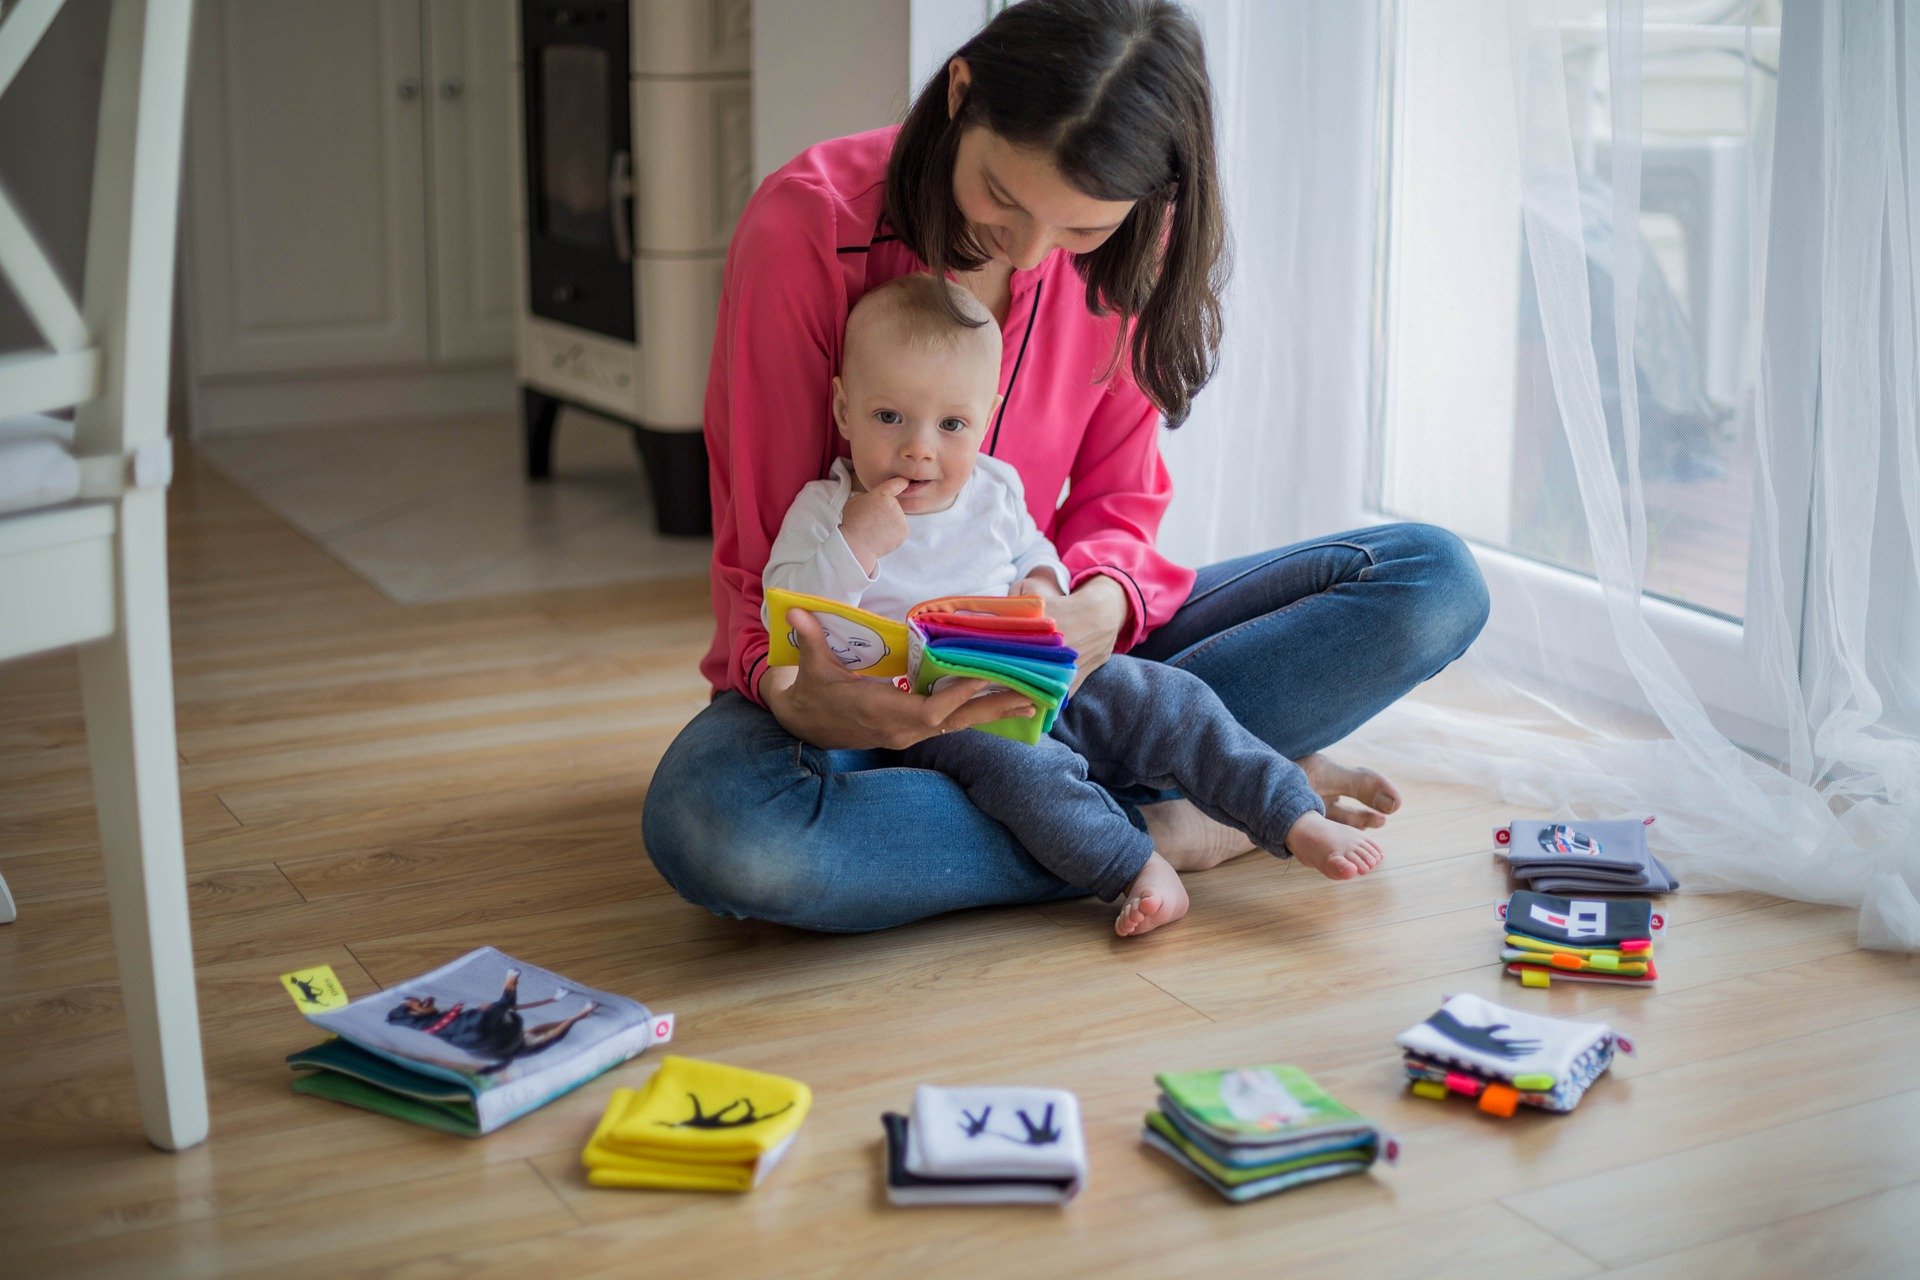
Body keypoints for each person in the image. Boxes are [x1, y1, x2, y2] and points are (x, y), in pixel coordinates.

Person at [642, 0, 1489, 933]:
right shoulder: (807, 227)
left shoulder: (1131, 242)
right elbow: (761, 560)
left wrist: (1093, 609)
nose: (1033, 250)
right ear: (961, 94)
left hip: (1060, 673)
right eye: (1003, 197)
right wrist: (808, 704)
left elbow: (1119, 501)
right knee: (722, 833)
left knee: (1432, 580)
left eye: (1080, 230)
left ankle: (1130, 796)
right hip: (858, 700)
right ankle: (1179, 817)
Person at [765, 274, 1385, 937]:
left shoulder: (994, 488)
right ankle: (1133, 863)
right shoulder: (826, 509)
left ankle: (1292, 814)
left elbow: (1037, 547)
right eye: (889, 417)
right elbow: (795, 615)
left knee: (1170, 699)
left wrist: (1042, 586)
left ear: (986, 416)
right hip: (940, 716)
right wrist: (856, 543)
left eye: (952, 424)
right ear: (842, 410)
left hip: (1035, 672)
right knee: (1026, 773)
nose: (920, 448)